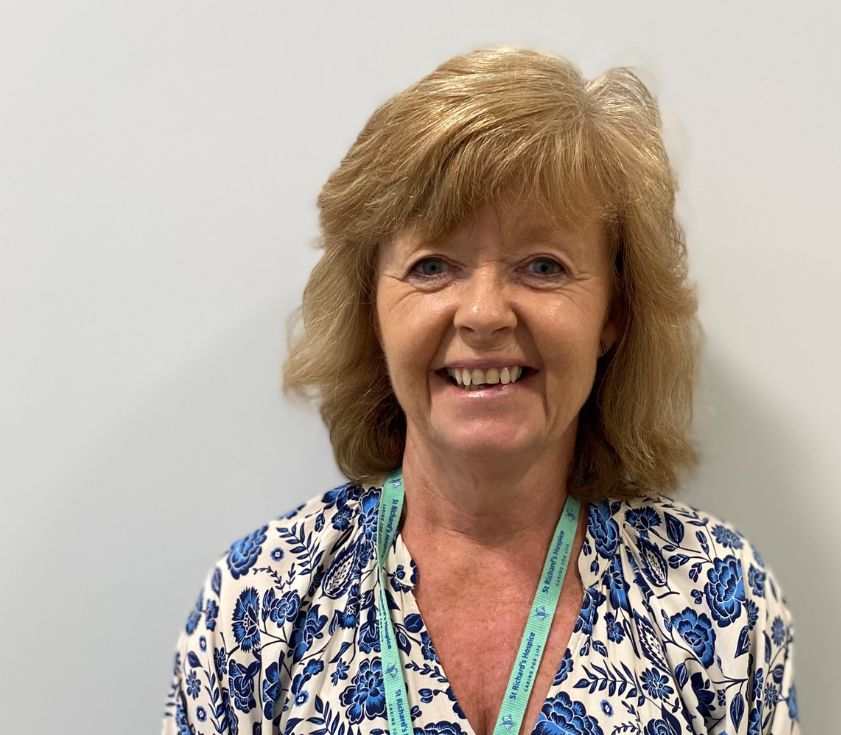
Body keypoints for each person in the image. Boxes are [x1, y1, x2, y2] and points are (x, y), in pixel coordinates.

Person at [161, 46, 799, 735]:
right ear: (371, 309)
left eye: (542, 266)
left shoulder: (717, 599)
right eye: (433, 265)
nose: (484, 312)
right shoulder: (258, 601)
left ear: (612, 313)